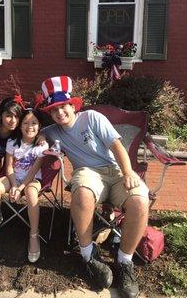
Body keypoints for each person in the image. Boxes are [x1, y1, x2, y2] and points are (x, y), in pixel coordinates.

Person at [39, 75, 149, 298]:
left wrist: (128, 172)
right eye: (54, 110)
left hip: (116, 171)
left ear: (72, 105)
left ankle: (124, 262)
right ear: (50, 113)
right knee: (80, 193)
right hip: (88, 173)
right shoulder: (53, 131)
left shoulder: (91, 117)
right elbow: (38, 134)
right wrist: (41, 139)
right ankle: (88, 255)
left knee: (140, 199)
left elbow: (117, 146)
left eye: (63, 107)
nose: (60, 113)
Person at [0, 108, 49, 263]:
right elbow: (9, 167)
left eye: (34, 123)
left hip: (33, 179)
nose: (30, 126)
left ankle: (34, 233)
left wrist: (20, 189)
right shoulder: (12, 143)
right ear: (20, 125)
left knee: (31, 193)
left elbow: (33, 171)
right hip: (14, 177)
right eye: (26, 123)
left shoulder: (42, 146)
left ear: (39, 126)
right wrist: (14, 185)